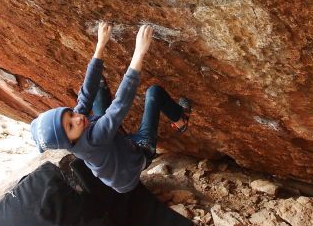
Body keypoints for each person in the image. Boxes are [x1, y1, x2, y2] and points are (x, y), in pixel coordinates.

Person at [31, 22, 192, 194]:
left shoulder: (77, 125)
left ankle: (121, 139)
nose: (76, 118)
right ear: (68, 142)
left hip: (117, 149)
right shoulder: (92, 141)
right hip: (135, 160)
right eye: (70, 125)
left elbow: (86, 94)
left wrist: (100, 45)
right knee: (154, 93)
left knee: (98, 86)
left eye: (69, 114)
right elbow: (120, 105)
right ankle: (181, 120)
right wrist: (139, 52)